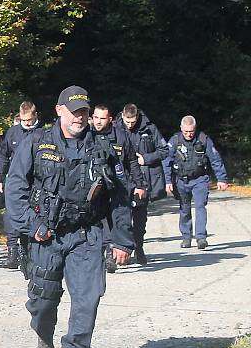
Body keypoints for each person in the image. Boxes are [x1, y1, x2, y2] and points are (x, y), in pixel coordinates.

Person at [5, 86, 133, 348]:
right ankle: (44, 335)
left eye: (84, 112)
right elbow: (15, 189)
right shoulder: (35, 143)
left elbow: (119, 197)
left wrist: (122, 240)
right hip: (45, 235)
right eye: (74, 111)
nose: (80, 117)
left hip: (86, 235)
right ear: (59, 111)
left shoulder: (103, 149)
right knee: (42, 302)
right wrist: (32, 226)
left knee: (87, 299)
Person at [91, 104, 145, 273]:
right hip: (95, 186)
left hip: (118, 186)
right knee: (99, 220)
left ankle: (112, 252)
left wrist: (140, 185)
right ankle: (104, 252)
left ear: (110, 119)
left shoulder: (121, 136)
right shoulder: (86, 135)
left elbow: (132, 162)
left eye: (102, 118)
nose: (98, 122)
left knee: (119, 219)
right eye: (96, 117)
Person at [163, 115, 229, 249]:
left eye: (191, 131)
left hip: (200, 179)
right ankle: (186, 237)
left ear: (195, 128)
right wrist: (167, 181)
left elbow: (215, 159)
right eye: (186, 131)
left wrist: (221, 178)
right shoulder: (174, 141)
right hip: (181, 180)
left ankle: (201, 238)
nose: (189, 134)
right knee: (184, 209)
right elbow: (166, 161)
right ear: (181, 128)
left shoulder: (204, 139)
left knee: (200, 207)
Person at [113, 103, 166, 264]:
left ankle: (139, 247)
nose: (130, 125)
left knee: (140, 218)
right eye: (127, 122)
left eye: (133, 122)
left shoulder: (149, 128)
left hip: (142, 179)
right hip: (121, 180)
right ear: (122, 116)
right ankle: (121, 250)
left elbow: (164, 150)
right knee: (121, 218)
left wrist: (146, 159)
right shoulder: (114, 129)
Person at [0, 101, 43, 269]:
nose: (27, 123)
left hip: (37, 182)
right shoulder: (13, 133)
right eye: (24, 120)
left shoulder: (44, 132)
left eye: (29, 120)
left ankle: (31, 251)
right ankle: (12, 251)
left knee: (33, 215)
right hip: (16, 181)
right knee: (11, 215)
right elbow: (2, 156)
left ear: (36, 115)